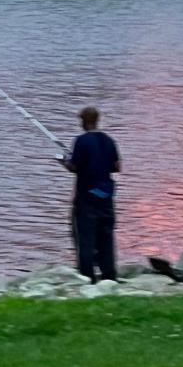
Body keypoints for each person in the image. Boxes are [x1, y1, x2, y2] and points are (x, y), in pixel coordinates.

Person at [62, 106, 120, 282]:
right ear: (97, 120)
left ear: (83, 121)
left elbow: (75, 167)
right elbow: (117, 167)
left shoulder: (81, 141)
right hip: (107, 197)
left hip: (86, 198)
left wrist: (64, 161)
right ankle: (109, 275)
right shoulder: (109, 141)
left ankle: (87, 277)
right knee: (106, 237)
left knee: (84, 237)